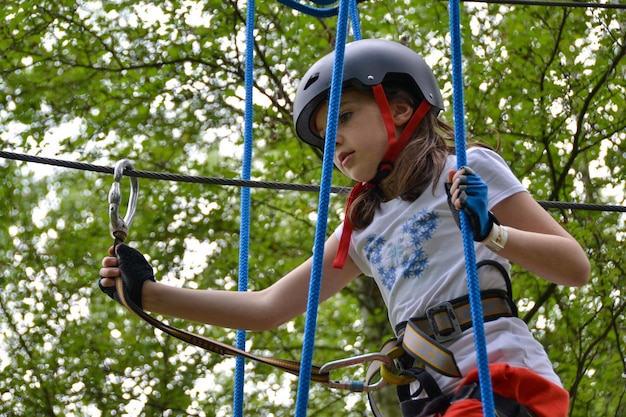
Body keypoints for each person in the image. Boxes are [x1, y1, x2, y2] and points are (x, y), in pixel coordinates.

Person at [98, 39, 590, 417]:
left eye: (345, 116)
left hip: (501, 379)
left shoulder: (463, 168)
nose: (335, 142)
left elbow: (574, 267)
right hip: (427, 397)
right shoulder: (362, 228)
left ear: (399, 109)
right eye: (325, 136)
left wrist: (491, 232)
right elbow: (268, 307)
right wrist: (150, 295)